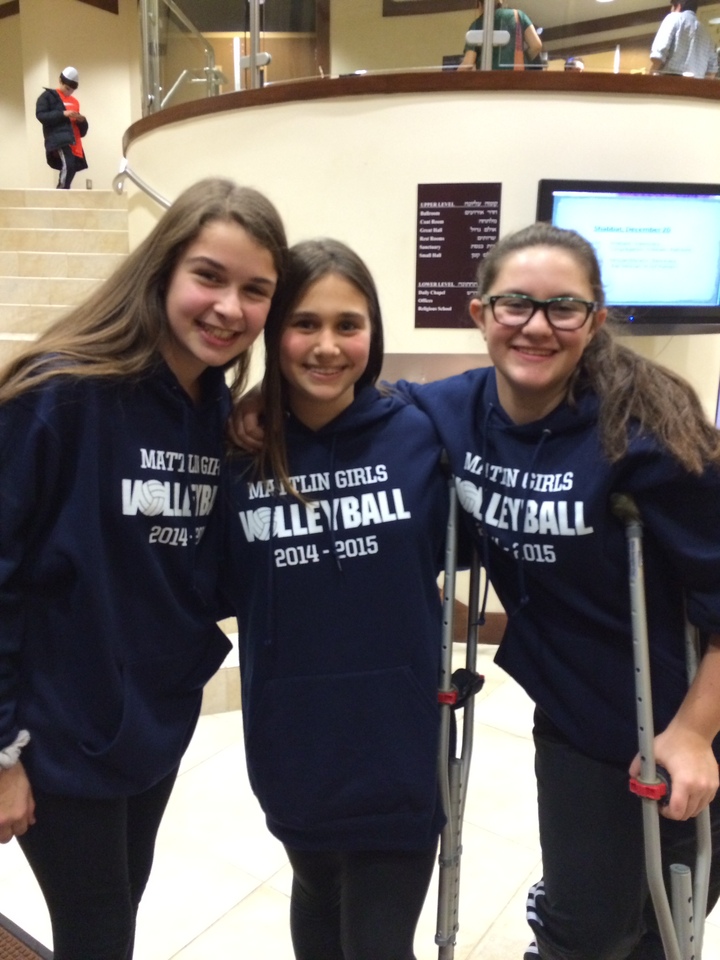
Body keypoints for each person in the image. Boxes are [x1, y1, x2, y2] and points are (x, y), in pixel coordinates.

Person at [392, 222, 720, 960]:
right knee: (588, 929)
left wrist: (696, 731)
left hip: (682, 714)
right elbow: (364, 405)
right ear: (478, 313)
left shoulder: (646, 438)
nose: (536, 327)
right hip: (576, 712)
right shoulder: (453, 410)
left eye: (563, 308)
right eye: (514, 304)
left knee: (661, 925)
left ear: (594, 321)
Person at [0, 177, 287, 960]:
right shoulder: (58, 395)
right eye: (210, 277)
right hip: (55, 737)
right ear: (162, 271)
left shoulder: (208, 412)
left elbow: (195, 576)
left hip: (148, 730)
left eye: (255, 290)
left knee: (117, 914)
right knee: (99, 934)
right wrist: (1, 756)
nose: (230, 306)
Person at [224, 239, 449, 960]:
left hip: (398, 746)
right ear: (273, 333)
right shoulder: (238, 449)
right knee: (317, 908)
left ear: (374, 334)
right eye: (305, 324)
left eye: (348, 325)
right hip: (292, 746)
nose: (328, 346)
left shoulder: (420, 433)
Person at [36, 67, 89, 189]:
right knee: (69, 165)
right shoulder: (48, 97)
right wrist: (62, 114)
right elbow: (41, 115)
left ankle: (63, 191)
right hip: (59, 139)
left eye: (72, 90)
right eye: (67, 89)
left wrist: (82, 120)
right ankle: (61, 192)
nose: (69, 92)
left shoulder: (75, 101)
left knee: (71, 168)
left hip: (74, 141)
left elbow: (82, 131)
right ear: (60, 81)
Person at [459, 0, 542, 72]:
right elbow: (536, 45)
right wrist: (524, 59)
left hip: (489, 81)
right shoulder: (518, 16)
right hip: (517, 79)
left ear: (479, 4)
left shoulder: (477, 24)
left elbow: (468, 64)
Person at [650, 1, 718, 78]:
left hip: (670, 79)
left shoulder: (673, 17)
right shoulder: (706, 33)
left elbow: (659, 54)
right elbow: (712, 69)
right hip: (696, 85)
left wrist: (650, 76)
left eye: (672, 7)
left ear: (678, 7)